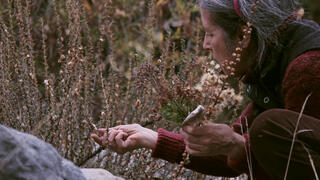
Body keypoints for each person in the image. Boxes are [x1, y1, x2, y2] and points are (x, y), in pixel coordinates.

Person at [91, 0, 320, 179]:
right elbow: (240, 151)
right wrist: (150, 138)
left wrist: (236, 145)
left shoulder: (307, 69)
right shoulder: (270, 61)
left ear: (243, 35)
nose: (204, 44)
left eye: (210, 33)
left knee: (267, 126)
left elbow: (293, 163)